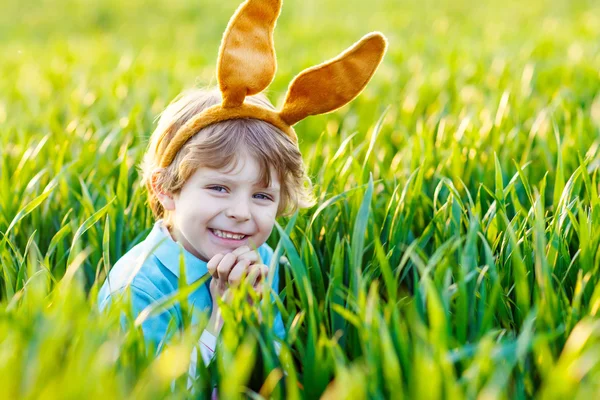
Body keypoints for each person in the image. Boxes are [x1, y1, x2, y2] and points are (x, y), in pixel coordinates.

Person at [98, 0, 387, 379]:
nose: (241, 212)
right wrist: (221, 319)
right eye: (219, 187)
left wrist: (255, 318)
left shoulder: (260, 258)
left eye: (262, 195)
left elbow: (273, 373)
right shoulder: (139, 290)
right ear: (166, 189)